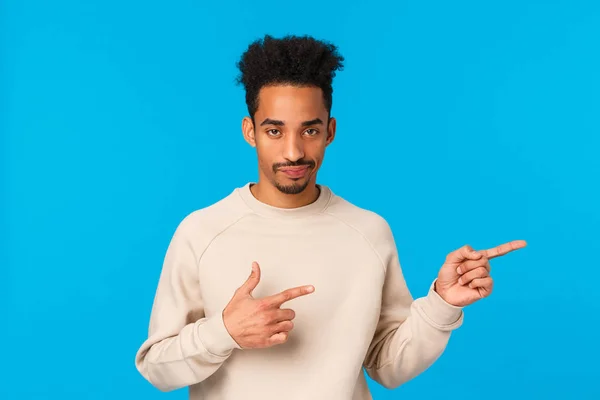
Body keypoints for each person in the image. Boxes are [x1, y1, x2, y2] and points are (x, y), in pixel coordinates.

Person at [134, 34, 527, 400]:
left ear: (330, 131)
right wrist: (224, 332)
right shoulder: (201, 232)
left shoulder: (368, 232)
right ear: (250, 131)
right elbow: (157, 368)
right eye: (274, 131)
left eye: (309, 130)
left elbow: (388, 367)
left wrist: (442, 304)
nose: (293, 152)